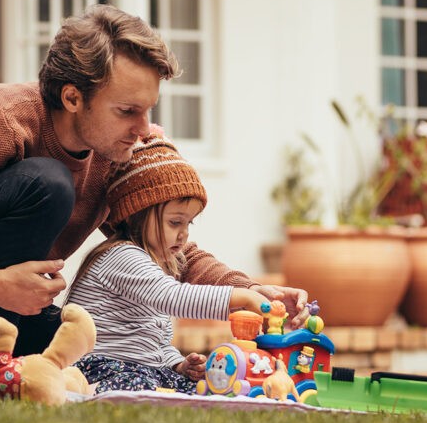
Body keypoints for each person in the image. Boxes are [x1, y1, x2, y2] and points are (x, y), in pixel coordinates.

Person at [0, 4, 308, 376]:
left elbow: (160, 234)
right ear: (72, 97)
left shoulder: (113, 150)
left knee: (93, 348)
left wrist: (247, 290)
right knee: (47, 183)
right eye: (128, 111)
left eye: (148, 110)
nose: (146, 129)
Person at [66, 132, 305, 394]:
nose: (184, 233)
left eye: (188, 223)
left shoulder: (160, 262)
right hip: (102, 364)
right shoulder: (123, 256)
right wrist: (245, 298)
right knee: (136, 388)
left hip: (143, 367)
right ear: (137, 214)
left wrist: (177, 363)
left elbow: (154, 337)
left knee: (200, 387)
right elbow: (175, 297)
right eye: (174, 222)